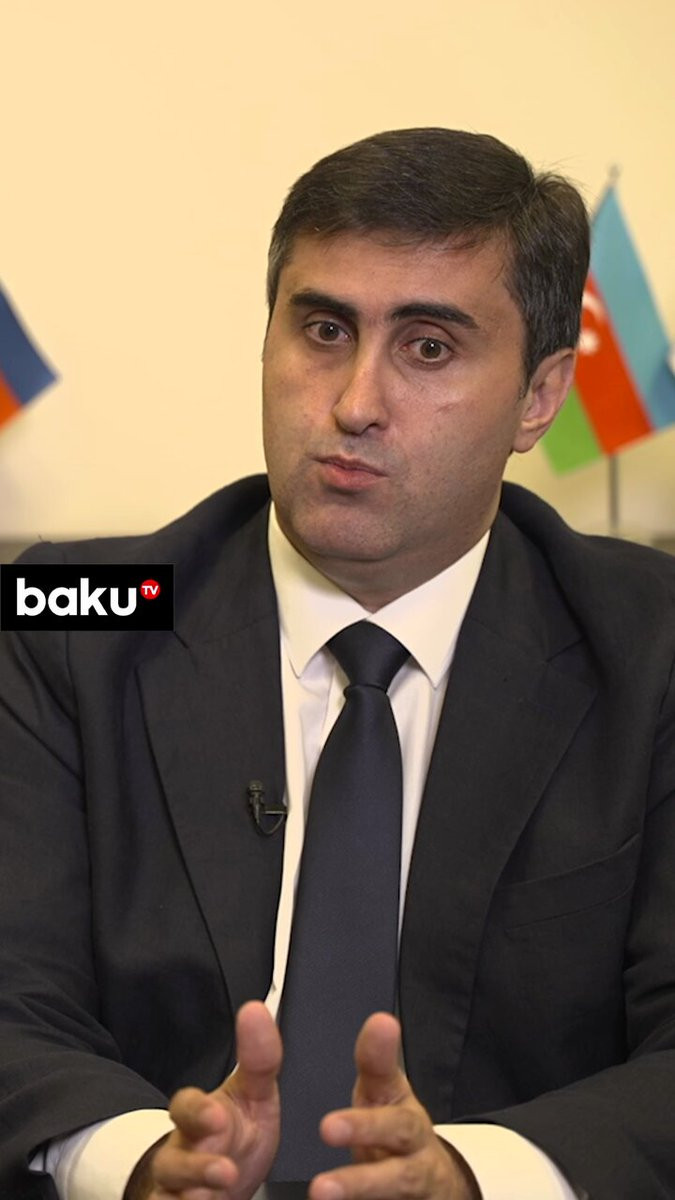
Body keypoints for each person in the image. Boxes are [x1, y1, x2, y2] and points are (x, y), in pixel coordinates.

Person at [1, 127, 674, 1200]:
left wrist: (472, 1176)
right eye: (323, 329)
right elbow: (10, 995)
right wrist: (139, 1163)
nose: (355, 403)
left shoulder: (650, 647)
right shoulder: (67, 618)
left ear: (539, 396)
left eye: (429, 348)